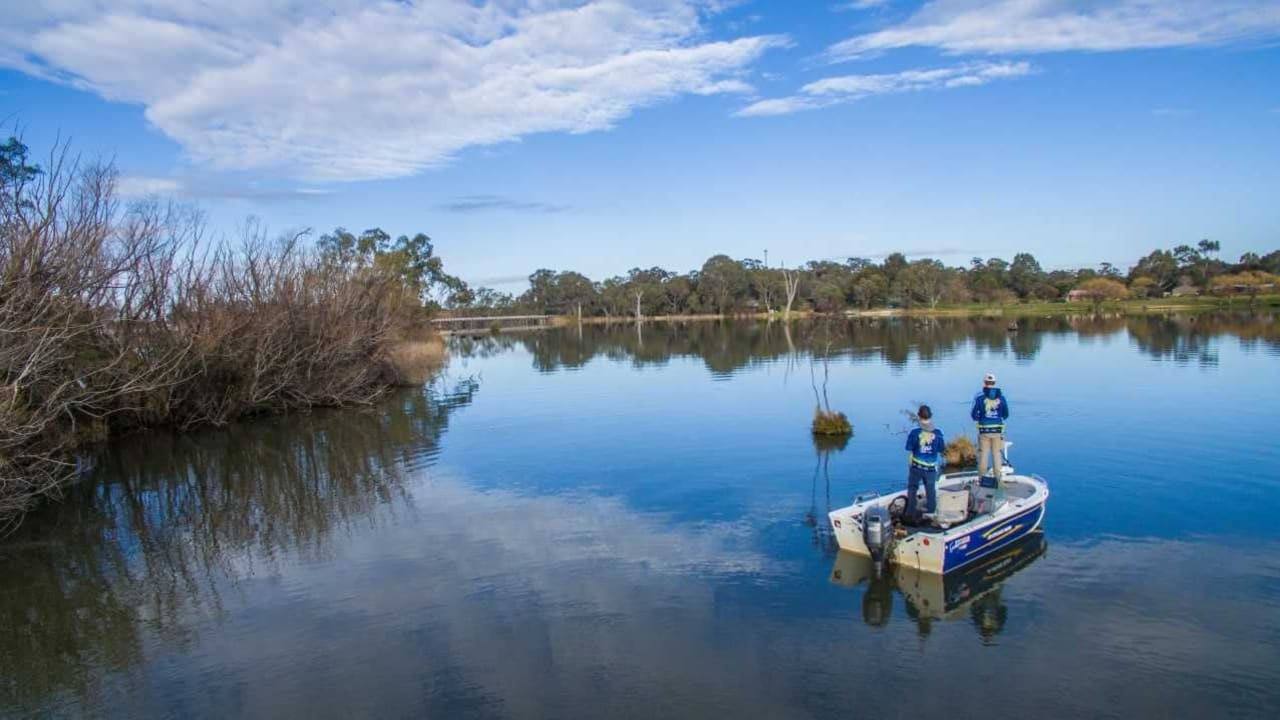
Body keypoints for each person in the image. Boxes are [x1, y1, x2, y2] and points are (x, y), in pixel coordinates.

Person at [905, 405, 945, 521]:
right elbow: (941, 448)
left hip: (916, 467)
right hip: (931, 468)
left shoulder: (914, 432)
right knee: (930, 490)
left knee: (912, 488)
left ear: (919, 416)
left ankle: (910, 513)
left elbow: (908, 447)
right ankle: (931, 512)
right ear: (930, 416)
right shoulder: (938, 433)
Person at [971, 372, 1010, 483]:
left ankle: (982, 480)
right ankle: (998, 480)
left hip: (984, 430)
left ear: (984, 382)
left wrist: (981, 418)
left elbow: (973, 414)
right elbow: (1006, 414)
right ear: (994, 383)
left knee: (983, 455)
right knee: (997, 455)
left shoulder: (979, 397)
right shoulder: (1002, 397)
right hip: (998, 430)